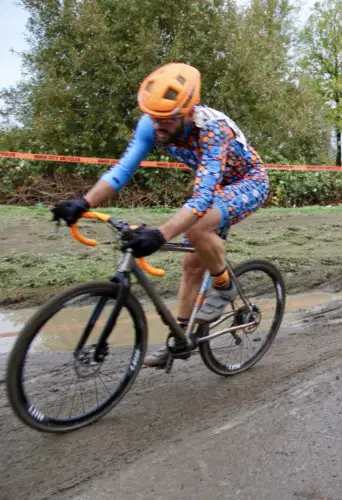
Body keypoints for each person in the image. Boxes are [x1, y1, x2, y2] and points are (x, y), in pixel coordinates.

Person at [51, 62, 270, 368]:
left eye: (167, 120)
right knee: (192, 263)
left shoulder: (212, 131)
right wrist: (83, 202)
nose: (158, 126)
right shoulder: (151, 123)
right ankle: (181, 339)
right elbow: (123, 170)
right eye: (154, 118)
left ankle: (223, 285)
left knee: (195, 231)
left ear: (189, 111)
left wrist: (160, 234)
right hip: (214, 184)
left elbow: (202, 198)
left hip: (248, 182)